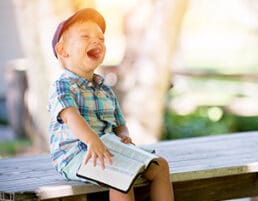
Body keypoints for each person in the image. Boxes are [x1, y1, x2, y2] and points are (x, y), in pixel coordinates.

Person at [48, 8, 174, 201]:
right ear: (62, 50)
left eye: (101, 38)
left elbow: (119, 122)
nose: (97, 40)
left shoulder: (104, 87)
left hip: (109, 148)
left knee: (160, 166)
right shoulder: (62, 85)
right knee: (121, 176)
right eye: (85, 36)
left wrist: (123, 135)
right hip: (75, 155)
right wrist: (92, 140)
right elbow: (71, 117)